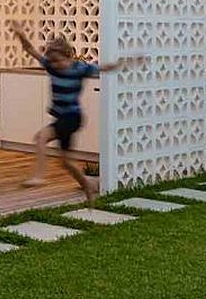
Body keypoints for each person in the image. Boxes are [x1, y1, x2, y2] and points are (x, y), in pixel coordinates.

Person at [10, 25, 142, 205]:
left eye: (59, 61)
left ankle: (39, 177)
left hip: (72, 117)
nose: (56, 65)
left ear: (68, 56)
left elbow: (106, 68)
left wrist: (128, 62)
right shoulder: (51, 66)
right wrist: (21, 35)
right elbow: (30, 49)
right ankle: (88, 185)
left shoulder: (80, 68)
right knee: (66, 162)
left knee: (41, 137)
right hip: (62, 118)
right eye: (52, 61)